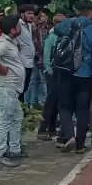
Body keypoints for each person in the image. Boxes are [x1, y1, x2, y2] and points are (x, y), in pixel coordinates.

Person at [53, 1, 92, 154]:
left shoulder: (66, 24)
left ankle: (69, 136)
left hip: (66, 70)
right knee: (83, 109)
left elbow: (56, 31)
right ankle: (80, 144)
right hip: (85, 73)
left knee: (65, 106)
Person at [0, 14, 24, 167]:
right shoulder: (3, 43)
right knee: (5, 119)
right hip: (6, 86)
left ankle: (14, 149)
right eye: (19, 26)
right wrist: (2, 70)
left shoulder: (11, 42)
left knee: (16, 117)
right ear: (13, 29)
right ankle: (0, 153)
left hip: (11, 87)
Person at [39, 12, 66, 141]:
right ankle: (44, 128)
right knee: (51, 102)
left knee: (57, 102)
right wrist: (49, 71)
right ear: (55, 24)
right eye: (59, 23)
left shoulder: (64, 37)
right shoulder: (51, 37)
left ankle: (52, 128)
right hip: (53, 74)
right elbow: (46, 57)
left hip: (60, 73)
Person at [26, 8, 50, 107]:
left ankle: (42, 103)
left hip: (44, 59)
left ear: (47, 17)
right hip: (35, 58)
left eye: (42, 16)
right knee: (33, 81)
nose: (40, 18)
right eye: (38, 16)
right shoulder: (33, 28)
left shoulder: (49, 29)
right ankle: (31, 103)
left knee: (43, 82)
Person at [17, 4, 37, 103]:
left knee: (25, 88)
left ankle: (21, 110)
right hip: (20, 62)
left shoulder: (29, 25)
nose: (32, 16)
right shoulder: (17, 25)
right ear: (22, 14)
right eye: (29, 13)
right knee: (19, 89)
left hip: (29, 62)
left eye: (33, 14)